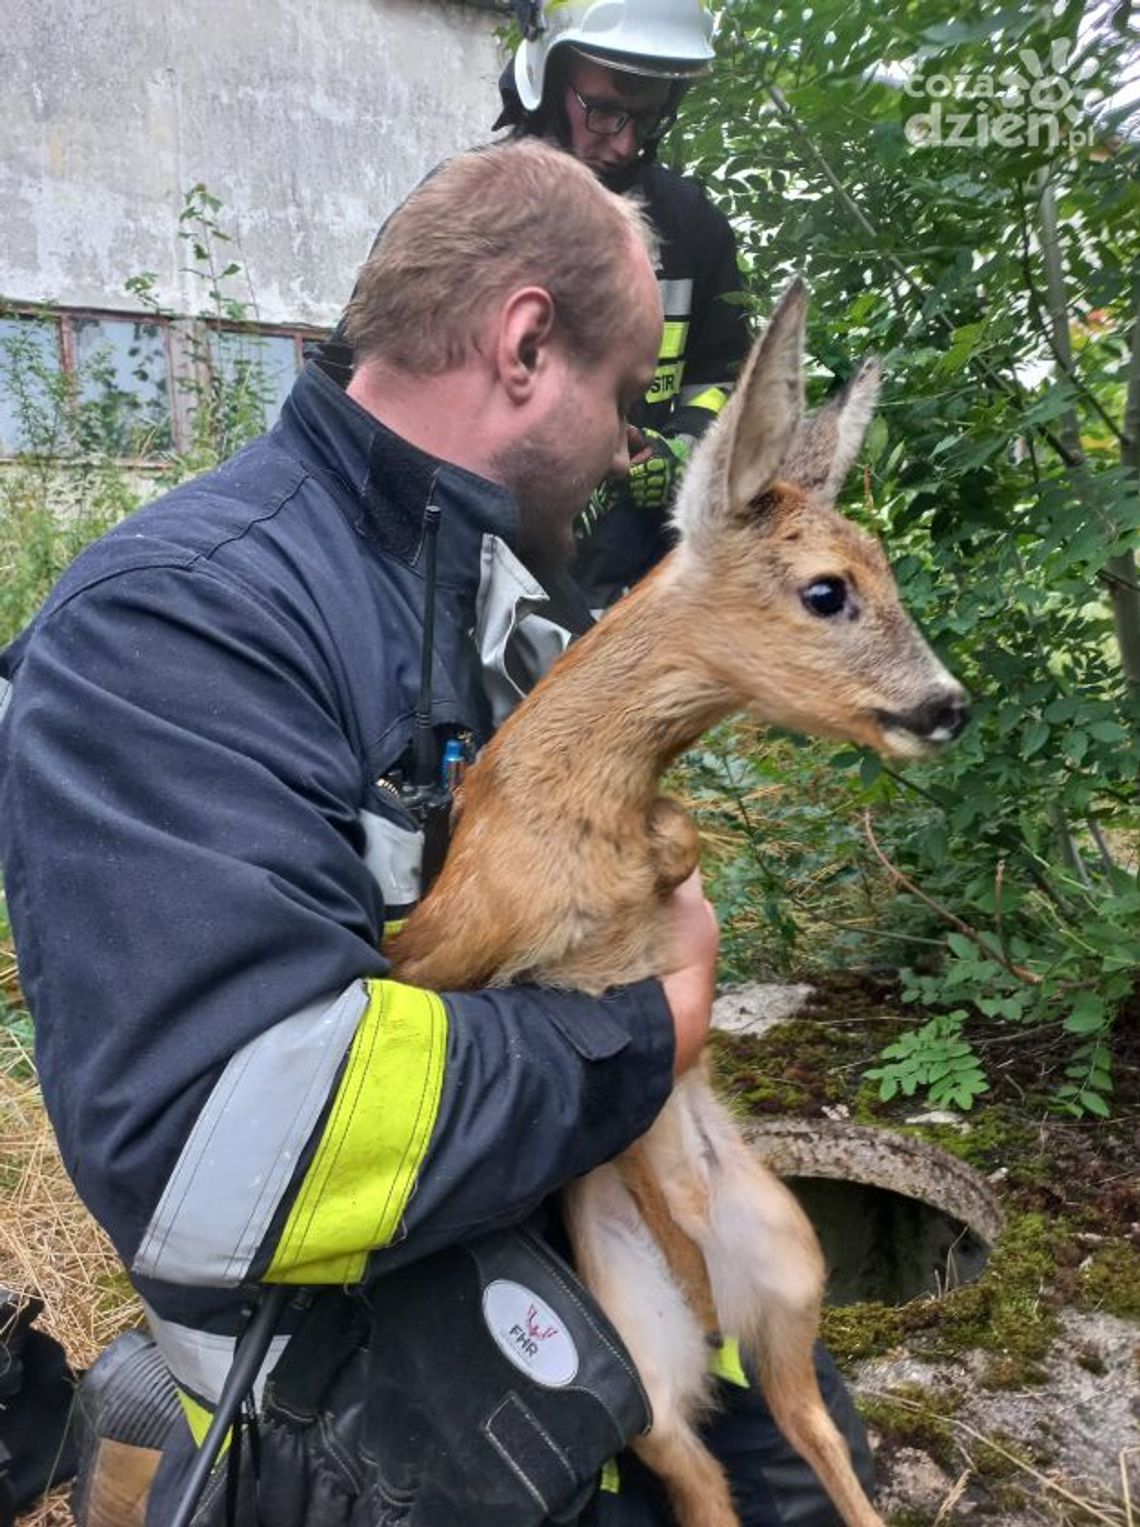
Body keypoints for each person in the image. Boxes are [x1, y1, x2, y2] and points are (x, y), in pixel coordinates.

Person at [317, 0, 752, 610]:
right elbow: (357, 374)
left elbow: (724, 374)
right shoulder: (466, 206)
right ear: (549, 77)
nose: (625, 143)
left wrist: (680, 448)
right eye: (603, 111)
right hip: (464, 574)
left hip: (629, 585)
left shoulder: (694, 226)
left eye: (647, 118)